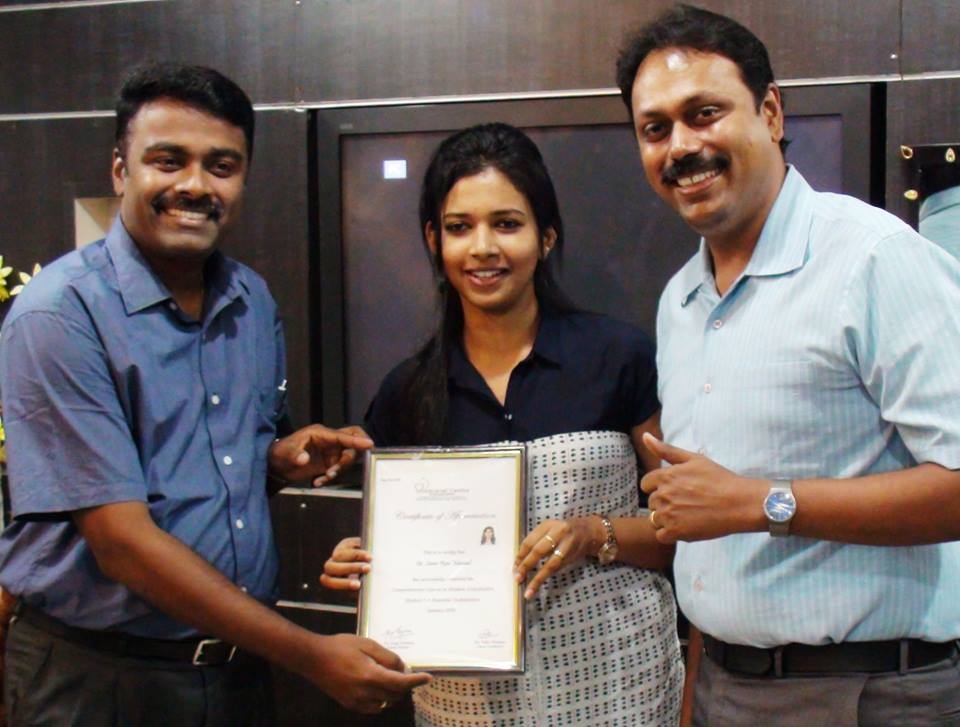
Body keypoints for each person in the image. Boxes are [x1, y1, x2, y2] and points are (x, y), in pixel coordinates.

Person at [0, 62, 429, 726]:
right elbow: (120, 540)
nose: (196, 185)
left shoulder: (250, 301)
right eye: (168, 161)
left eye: (221, 166)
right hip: (100, 681)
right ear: (120, 170)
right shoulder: (59, 314)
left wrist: (274, 461)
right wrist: (312, 655)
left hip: (233, 675)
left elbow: (206, 473)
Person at [615, 5, 960, 726]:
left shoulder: (873, 259)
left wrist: (762, 502)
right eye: (655, 129)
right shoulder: (680, 301)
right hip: (724, 683)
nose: (681, 146)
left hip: (870, 692)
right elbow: (708, 538)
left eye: (704, 113)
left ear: (770, 112)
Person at [321, 123, 684, 725]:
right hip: (465, 709)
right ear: (434, 240)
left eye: (507, 224)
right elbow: (395, 553)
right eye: (459, 227)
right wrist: (361, 564)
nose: (483, 247)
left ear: (546, 237)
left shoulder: (618, 357)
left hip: (619, 689)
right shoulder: (405, 393)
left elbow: (685, 529)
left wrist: (594, 533)